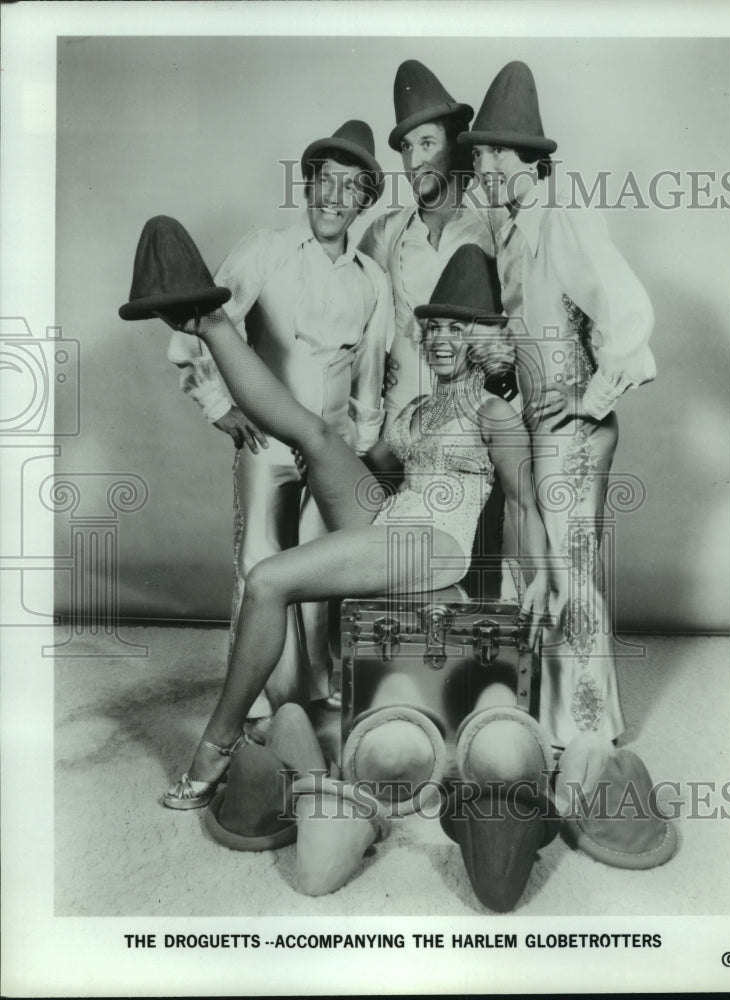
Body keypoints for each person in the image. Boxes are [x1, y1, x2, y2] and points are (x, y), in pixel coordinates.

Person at [158, 243, 551, 809]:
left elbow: (523, 504)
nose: (442, 339)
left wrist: (537, 577)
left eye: (458, 329)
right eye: (435, 327)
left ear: (482, 340)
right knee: (314, 434)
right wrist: (325, 464)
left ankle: (218, 742)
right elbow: (380, 472)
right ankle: (211, 323)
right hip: (395, 517)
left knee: (268, 580)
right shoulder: (419, 409)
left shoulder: (495, 412)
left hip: (437, 544)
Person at [460, 61, 656, 750]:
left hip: (572, 431)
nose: (480, 168)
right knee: (541, 563)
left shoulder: (564, 216)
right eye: (477, 156)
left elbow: (628, 316)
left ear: (522, 157)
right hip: (542, 426)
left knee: (570, 570)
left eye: (489, 154)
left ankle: (589, 739)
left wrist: (588, 398)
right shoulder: (513, 228)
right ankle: (555, 722)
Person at [166, 121, 393, 715]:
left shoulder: (373, 280)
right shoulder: (264, 249)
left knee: (320, 568)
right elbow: (196, 328)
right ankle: (265, 703)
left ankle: (310, 694)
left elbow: (370, 373)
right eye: (325, 181)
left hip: (334, 448)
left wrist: (360, 448)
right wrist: (219, 405)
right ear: (308, 187)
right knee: (262, 562)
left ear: (365, 201)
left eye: (351, 187)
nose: (334, 198)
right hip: (266, 444)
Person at [359, 59, 507, 599]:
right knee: (392, 541)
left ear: (453, 145)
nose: (414, 160)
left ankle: (480, 638)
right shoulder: (385, 232)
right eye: (406, 147)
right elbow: (354, 309)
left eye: (427, 143)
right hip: (402, 412)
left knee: (479, 541)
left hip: (470, 410)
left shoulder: (492, 223)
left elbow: (518, 308)